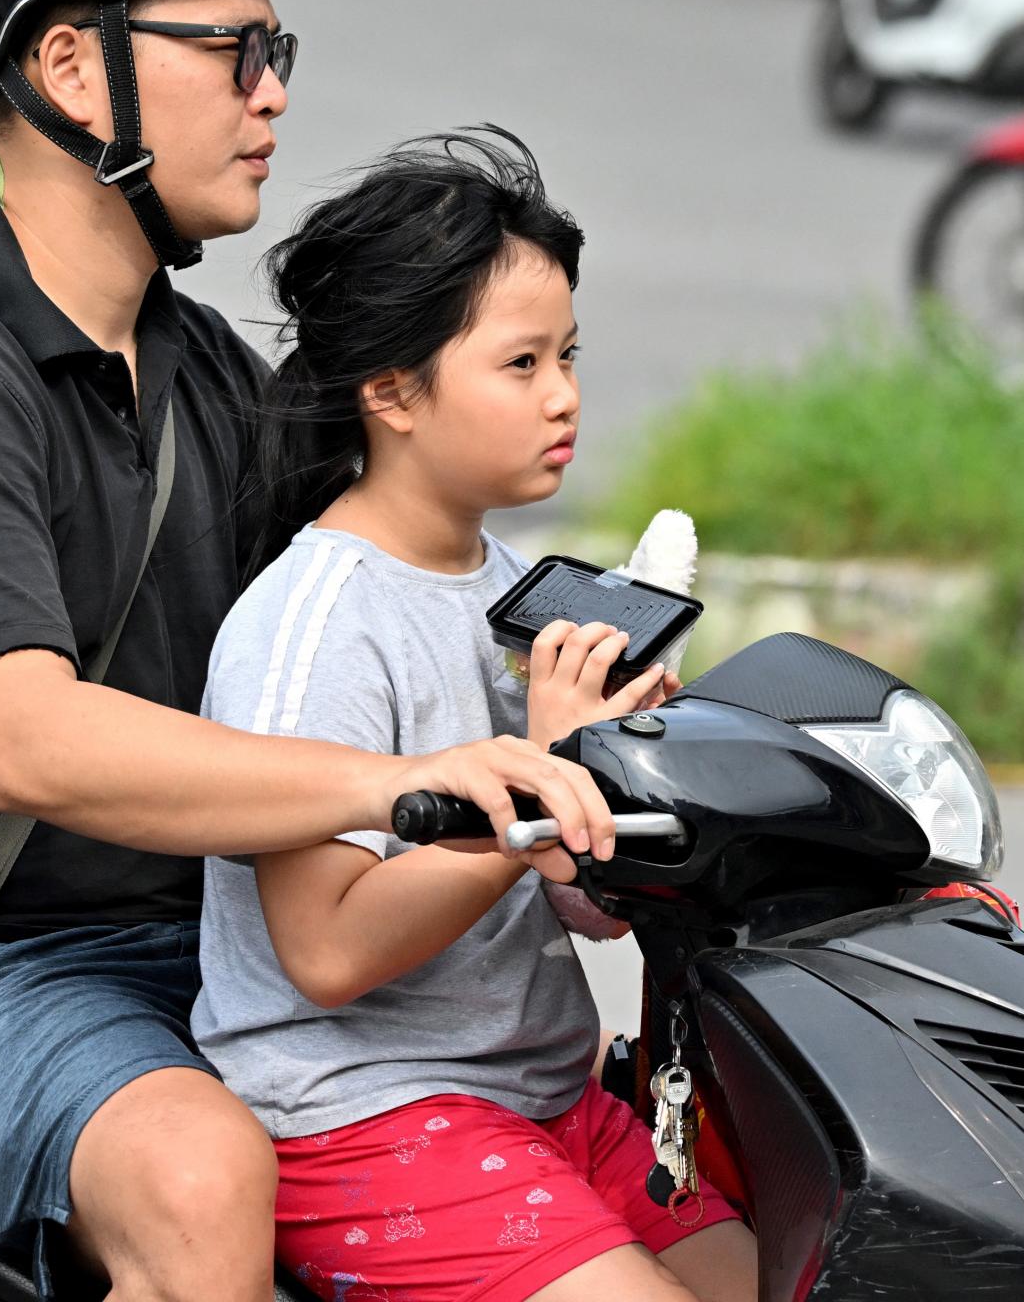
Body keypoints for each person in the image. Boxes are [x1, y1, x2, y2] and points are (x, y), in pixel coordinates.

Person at [0, 0, 617, 1301]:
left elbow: (369, 571)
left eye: (281, 49)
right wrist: (395, 789)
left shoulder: (198, 364)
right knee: (201, 1176)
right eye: (232, 48)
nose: (274, 93)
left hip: (203, 934)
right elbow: (23, 742)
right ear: (74, 69)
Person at [191, 130, 758, 1302]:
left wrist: (618, 771)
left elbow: (574, 907)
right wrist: (538, 771)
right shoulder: (317, 623)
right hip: (364, 1118)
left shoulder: (507, 582)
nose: (564, 396)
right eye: (519, 363)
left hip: (540, 1096)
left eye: (568, 355)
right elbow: (326, 950)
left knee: (783, 1275)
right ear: (390, 390)